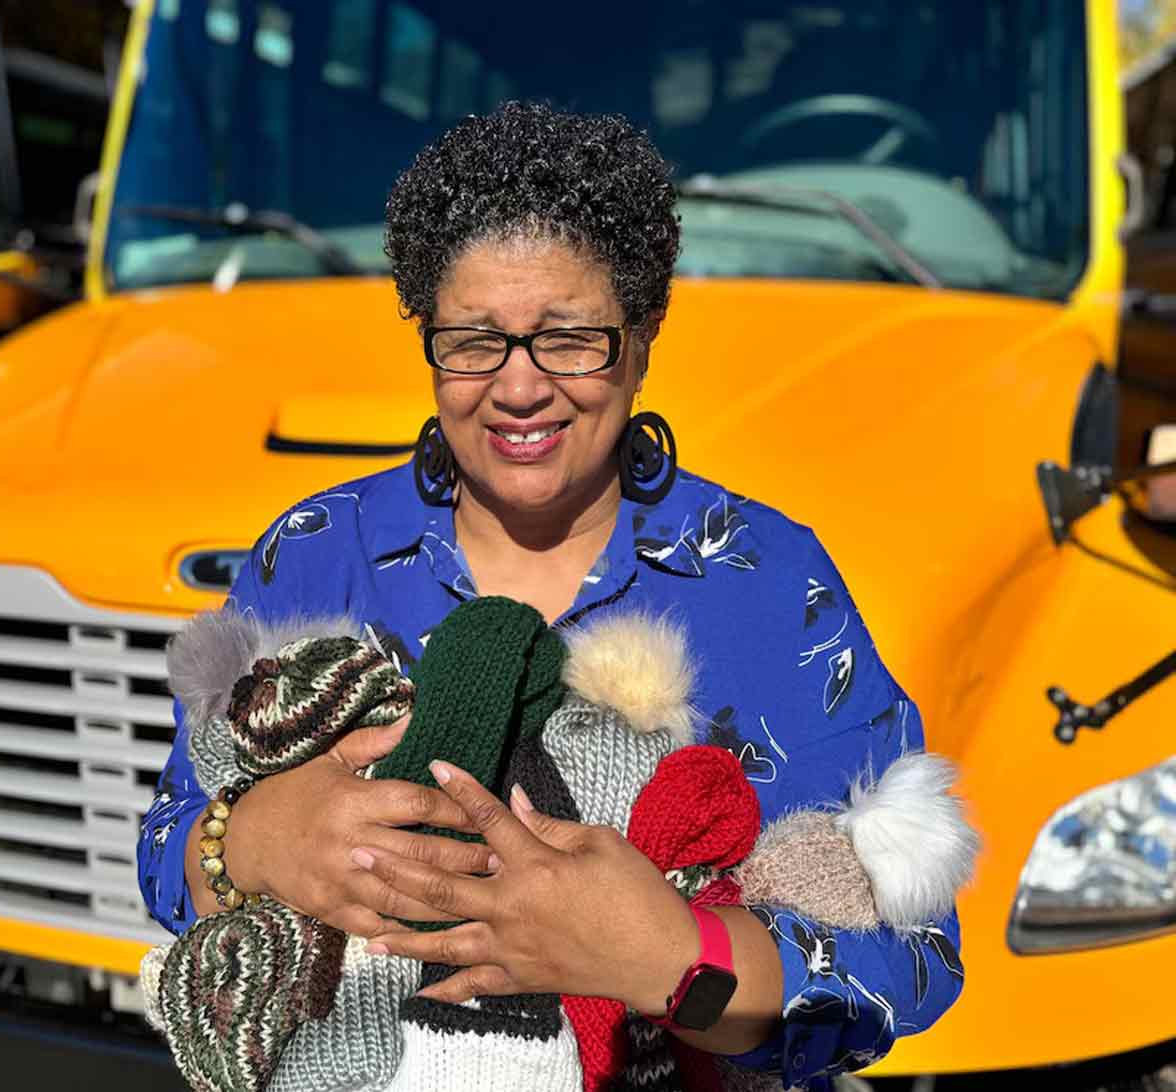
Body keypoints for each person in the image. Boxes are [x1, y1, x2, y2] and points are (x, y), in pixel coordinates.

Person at [138, 101, 963, 1088]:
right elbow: (169, 838)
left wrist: (669, 958)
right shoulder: (318, 551)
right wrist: (251, 841)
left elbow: (909, 960)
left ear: (642, 337)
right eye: (473, 340)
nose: (520, 388)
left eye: (570, 339)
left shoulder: (769, 582)